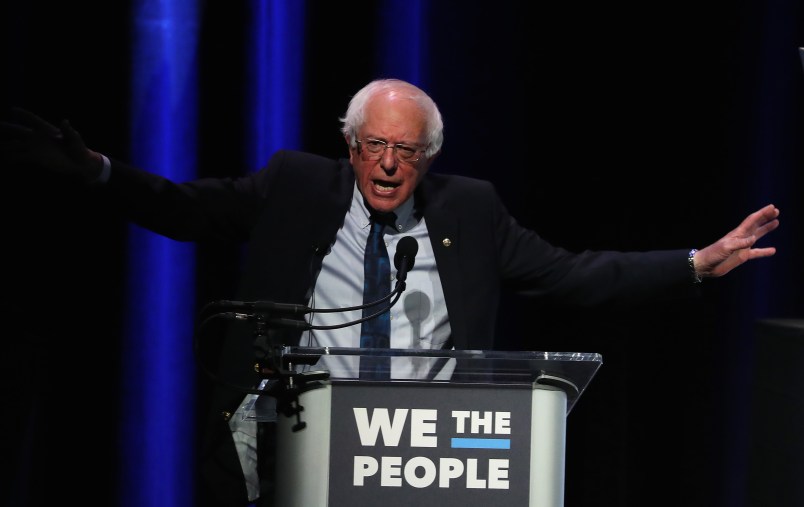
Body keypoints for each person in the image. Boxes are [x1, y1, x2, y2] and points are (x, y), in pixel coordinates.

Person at [0, 78, 780, 506]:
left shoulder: (469, 210)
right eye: (374, 145)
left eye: (406, 151)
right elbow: (185, 206)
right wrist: (101, 173)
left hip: (418, 455)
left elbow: (574, 273)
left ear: (428, 157)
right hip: (296, 444)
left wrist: (694, 263)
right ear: (350, 144)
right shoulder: (295, 185)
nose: (387, 165)